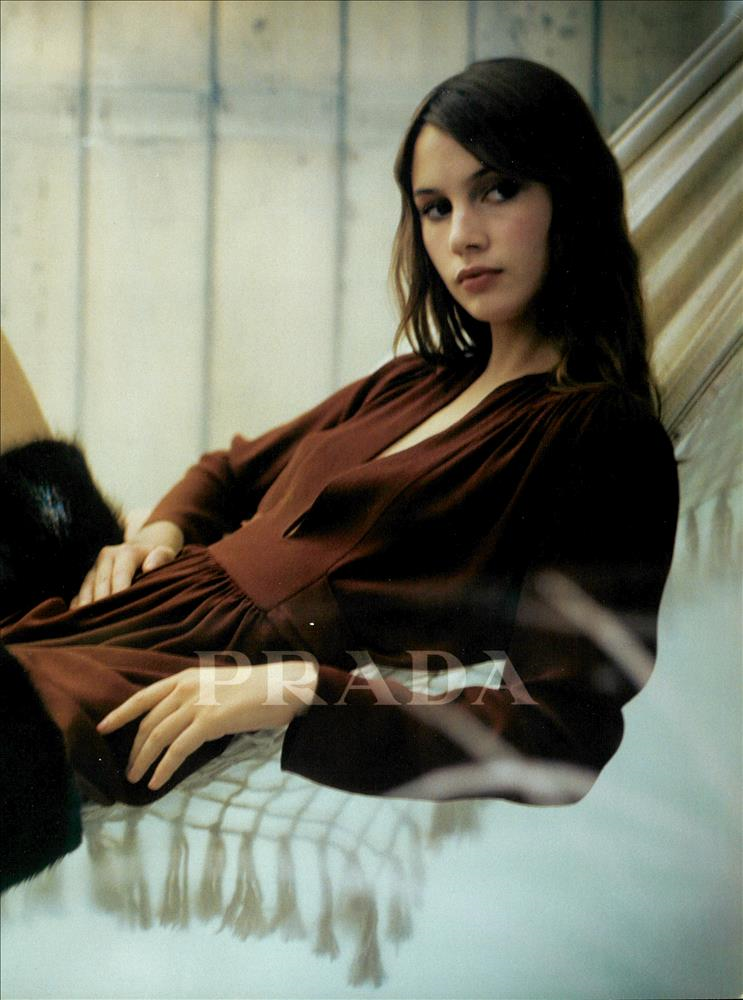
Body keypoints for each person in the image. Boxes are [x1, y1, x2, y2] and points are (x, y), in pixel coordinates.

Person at [1, 59, 678, 888]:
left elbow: (559, 732)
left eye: (496, 191)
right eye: (434, 207)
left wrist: (305, 690)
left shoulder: (600, 439)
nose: (461, 235)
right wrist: (158, 531)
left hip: (176, 673)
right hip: (113, 601)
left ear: (570, 194)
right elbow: (228, 469)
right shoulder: (414, 380)